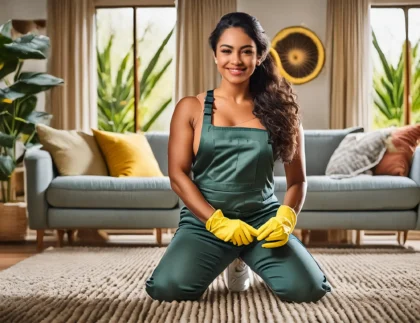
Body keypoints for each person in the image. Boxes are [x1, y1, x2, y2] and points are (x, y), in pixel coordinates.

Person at [145, 12, 332, 303]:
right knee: (167, 289)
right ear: (215, 56)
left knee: (308, 289)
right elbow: (178, 175)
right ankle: (230, 256)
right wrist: (217, 222)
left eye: (247, 51)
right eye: (227, 50)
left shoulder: (282, 113)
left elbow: (298, 181)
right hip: (206, 221)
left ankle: (242, 259)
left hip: (262, 219)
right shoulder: (190, 108)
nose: (236, 60)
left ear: (260, 57)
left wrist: (285, 218)